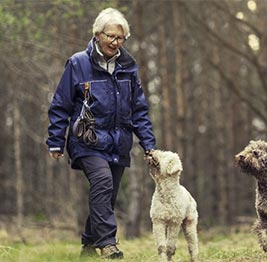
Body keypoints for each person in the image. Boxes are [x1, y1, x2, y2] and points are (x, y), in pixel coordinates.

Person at [46, 8, 156, 259]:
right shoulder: (78, 64)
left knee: (106, 195)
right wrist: (55, 142)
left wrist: (149, 145)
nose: (115, 43)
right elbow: (60, 105)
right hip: (87, 140)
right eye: (111, 37)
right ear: (97, 35)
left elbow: (139, 109)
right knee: (103, 183)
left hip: (118, 143)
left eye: (120, 38)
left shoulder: (128, 67)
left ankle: (87, 245)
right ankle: (107, 244)